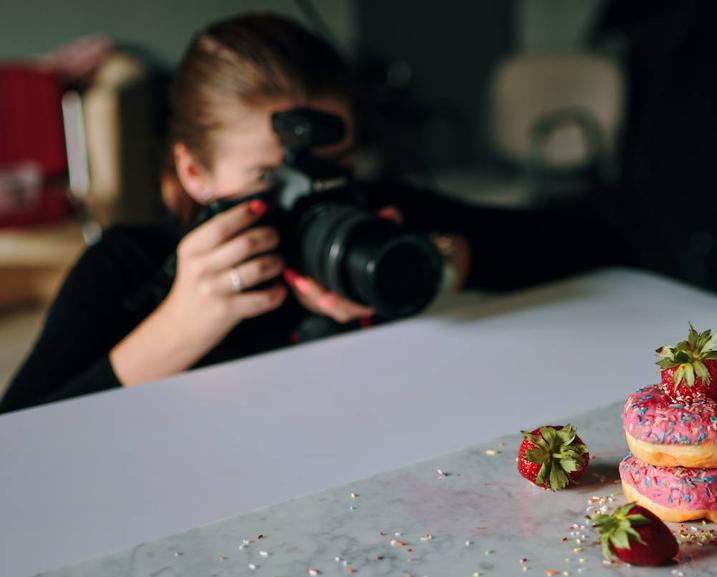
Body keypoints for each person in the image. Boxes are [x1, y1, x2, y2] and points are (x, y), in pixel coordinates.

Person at [1, 13, 630, 413]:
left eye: (336, 167)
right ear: (195, 171)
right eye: (272, 179)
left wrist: (447, 264)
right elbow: (19, 446)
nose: (315, 197)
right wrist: (178, 327)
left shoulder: (381, 216)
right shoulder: (127, 265)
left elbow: (590, 239)